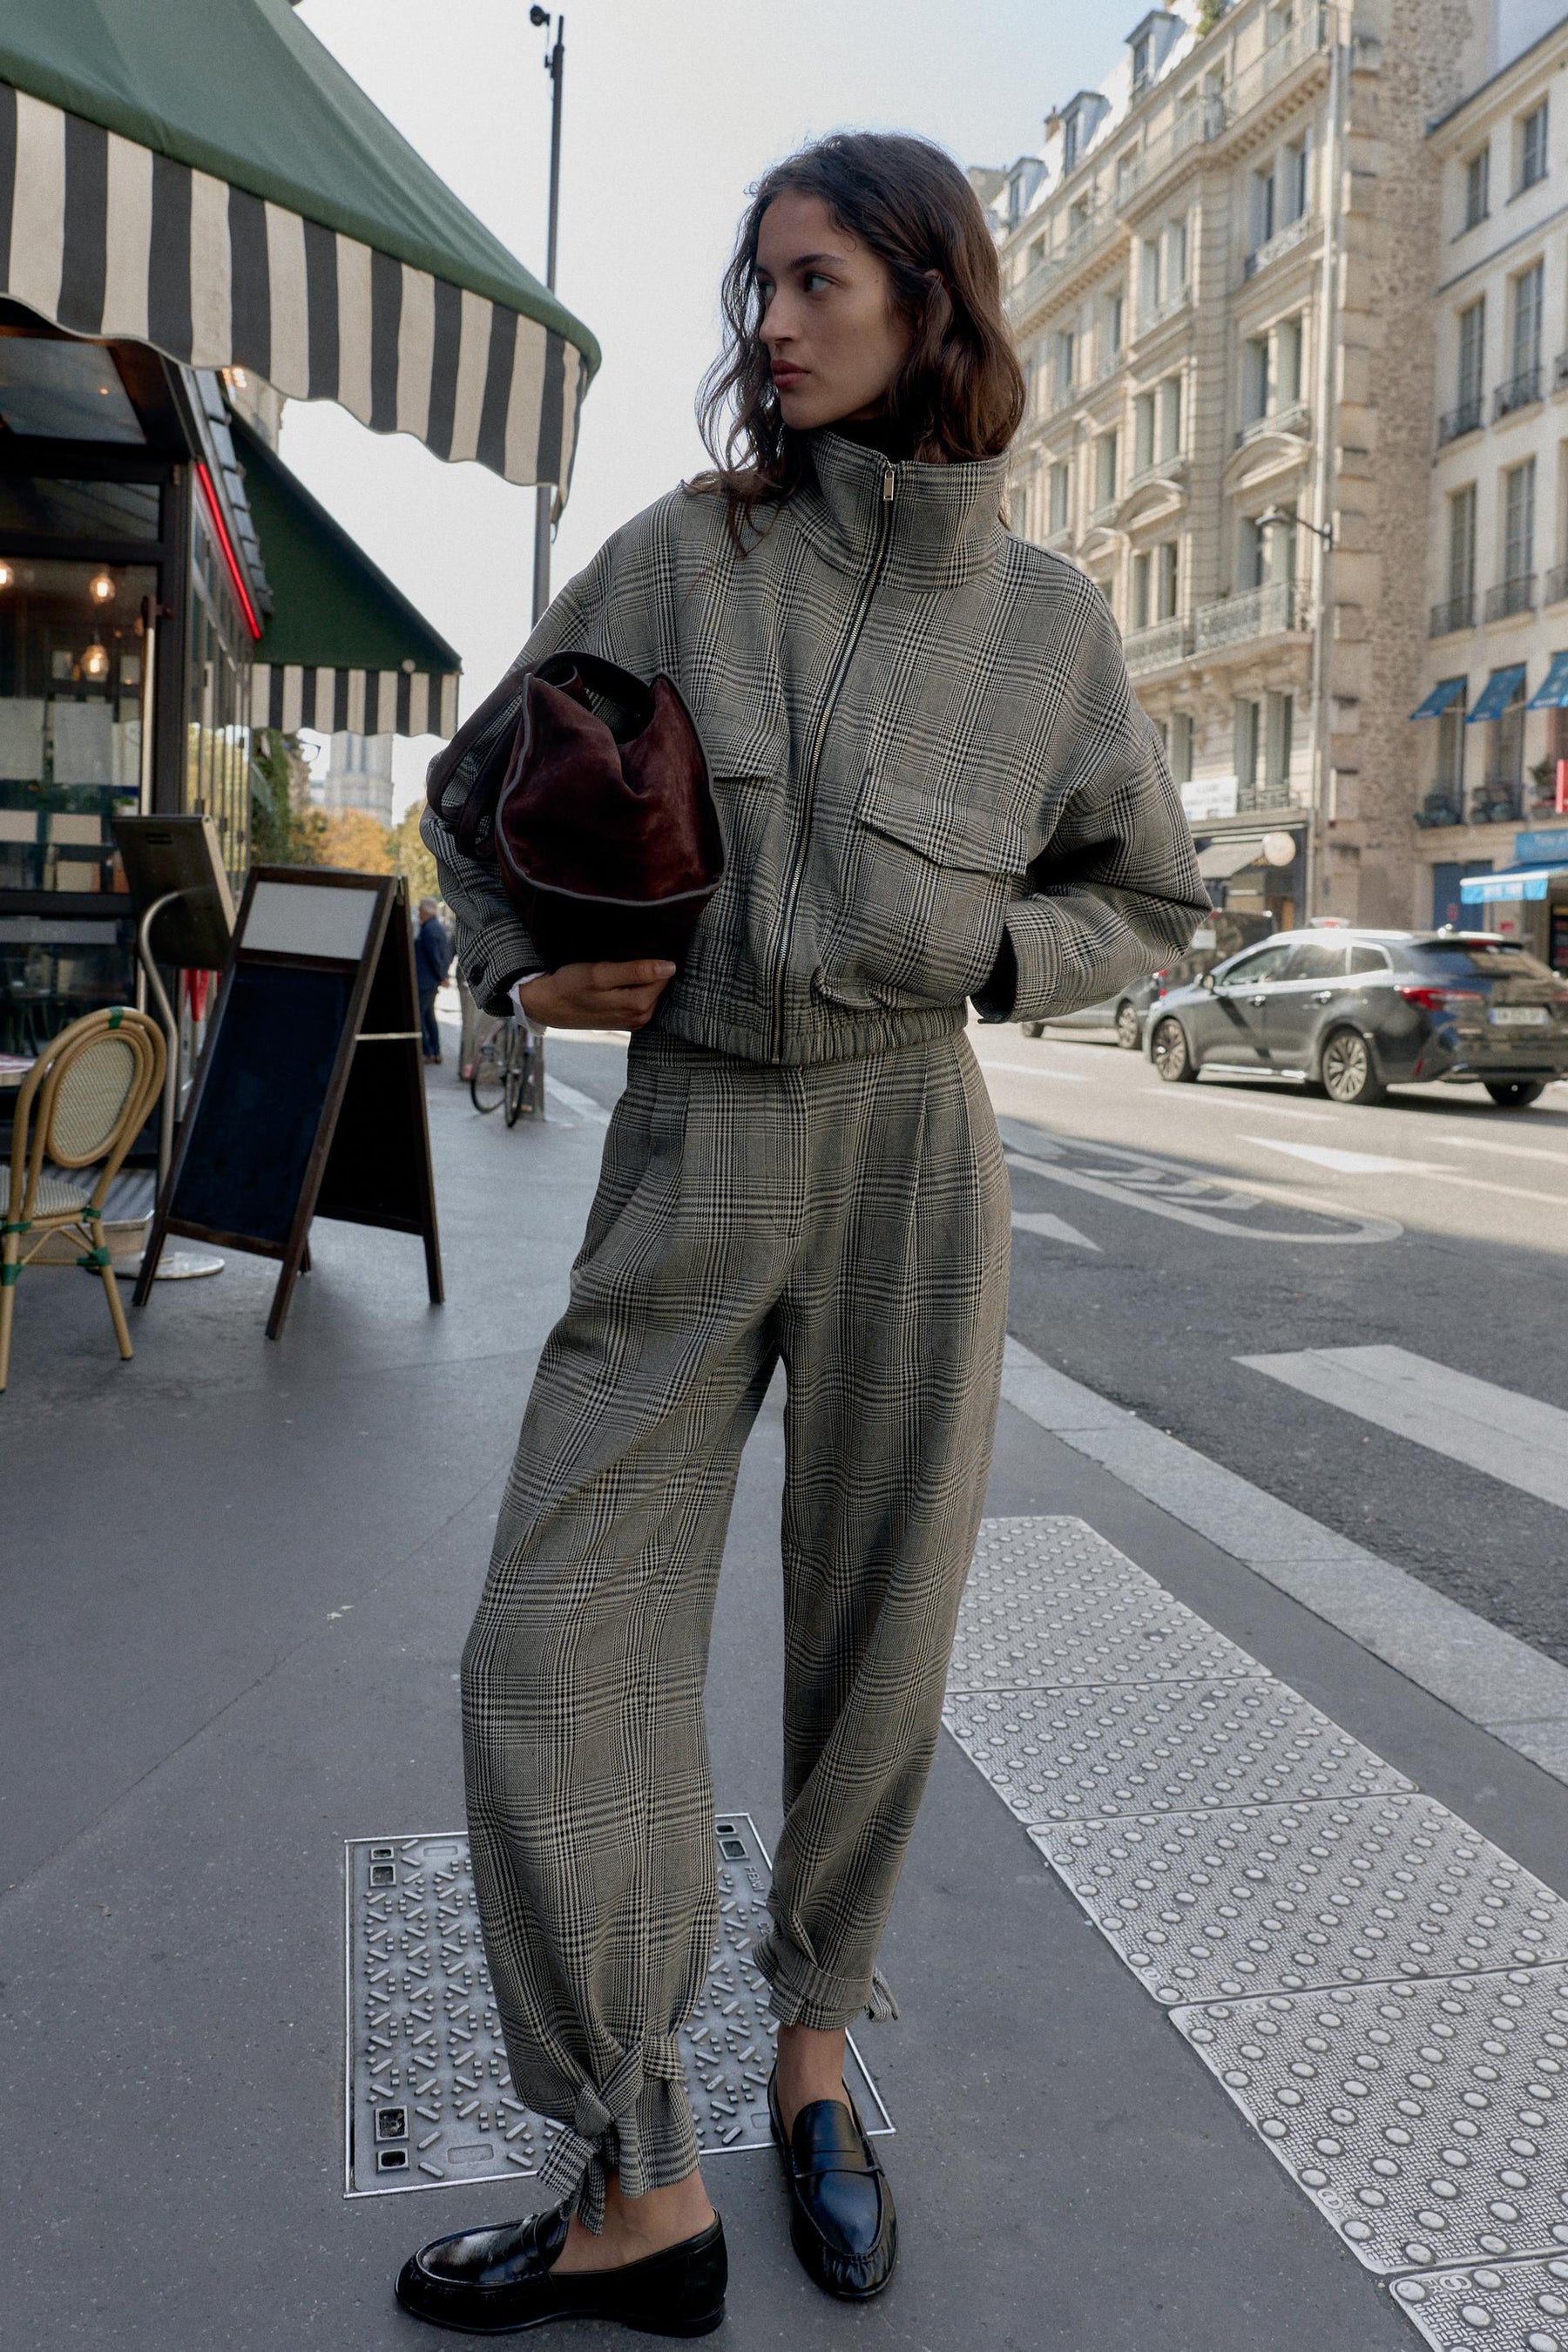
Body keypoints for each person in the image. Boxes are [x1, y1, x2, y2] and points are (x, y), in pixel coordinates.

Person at [402, 131, 1206, 2340]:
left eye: (813, 277)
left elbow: (1142, 900)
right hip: (694, 1143)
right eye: (755, 283)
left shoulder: (1045, 628)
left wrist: (987, 958)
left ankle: (817, 2063)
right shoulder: (682, 556)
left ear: (927, 299)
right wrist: (517, 966)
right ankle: (635, 2166)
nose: (767, 322)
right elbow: (478, 792)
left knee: (877, 1643)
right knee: (550, 1650)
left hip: (909, 1155)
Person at [414, 896, 453, 1063]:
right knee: (428, 1015)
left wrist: (442, 976)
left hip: (426, 980)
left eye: (420, 909)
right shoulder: (435, 927)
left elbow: (434, 956)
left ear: (426, 911)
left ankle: (428, 1050)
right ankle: (435, 1050)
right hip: (431, 980)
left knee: (420, 1015)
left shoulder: (429, 929)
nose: (418, 912)